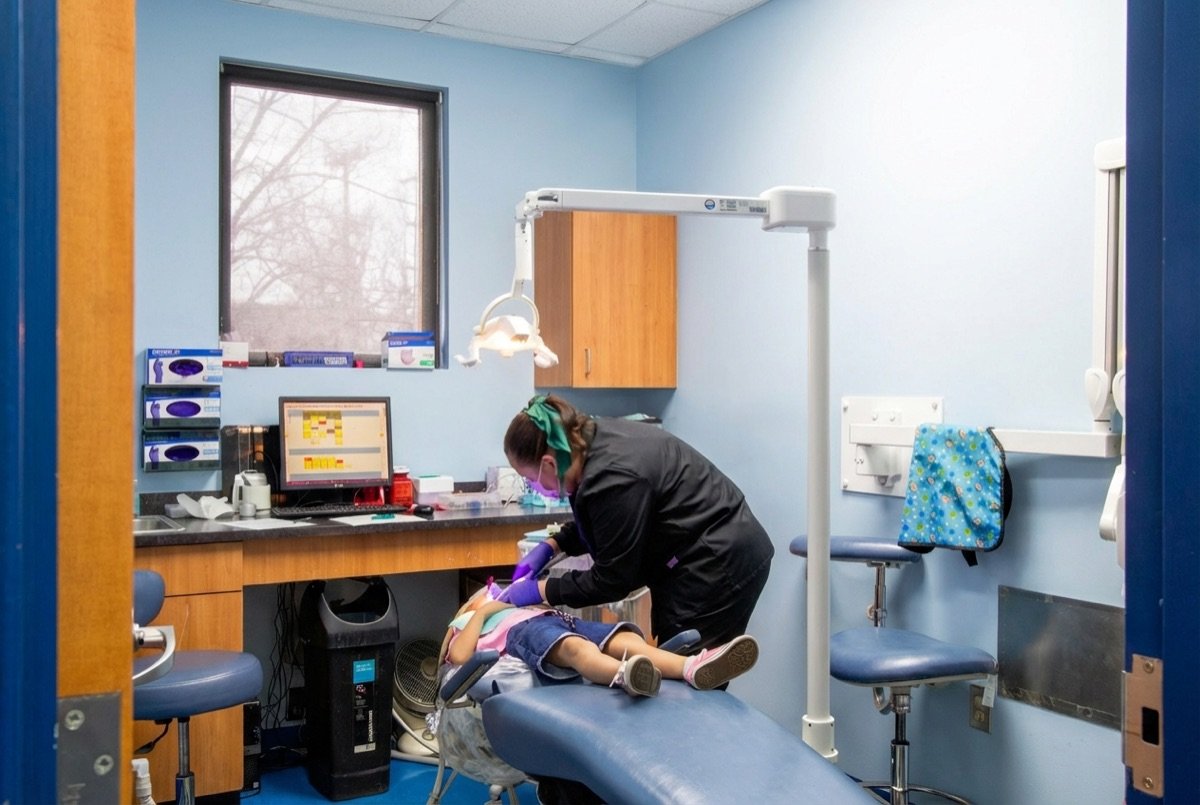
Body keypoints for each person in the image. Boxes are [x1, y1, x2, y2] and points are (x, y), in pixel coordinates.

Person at [499, 394, 774, 652]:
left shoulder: (614, 477)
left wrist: (542, 589)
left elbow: (613, 580)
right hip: (703, 551)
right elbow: (607, 523)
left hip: (719, 562)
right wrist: (554, 544)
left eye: (531, 479)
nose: (535, 488)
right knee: (675, 663)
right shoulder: (590, 440)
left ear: (548, 463)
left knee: (689, 677)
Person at [444, 585, 759, 697]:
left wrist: (530, 602)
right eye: (487, 593)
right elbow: (458, 656)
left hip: (554, 619)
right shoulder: (469, 620)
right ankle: (623, 676)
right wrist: (481, 611)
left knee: (621, 638)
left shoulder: (518, 607)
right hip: (524, 634)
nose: (496, 594)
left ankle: (692, 666)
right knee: (574, 648)